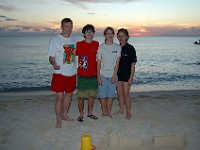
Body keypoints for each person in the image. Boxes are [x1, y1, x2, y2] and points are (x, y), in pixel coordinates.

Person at [48, 18, 77, 128]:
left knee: (69, 95)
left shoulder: (74, 40)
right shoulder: (55, 40)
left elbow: (76, 57)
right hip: (59, 72)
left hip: (72, 72)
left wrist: (78, 69)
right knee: (59, 96)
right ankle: (58, 119)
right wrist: (53, 63)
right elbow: (51, 57)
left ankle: (64, 115)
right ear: (61, 27)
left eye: (70, 27)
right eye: (66, 26)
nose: (68, 29)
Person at [76, 24, 99, 122]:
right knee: (80, 96)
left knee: (91, 96)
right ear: (83, 34)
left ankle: (90, 113)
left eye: (91, 31)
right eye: (87, 31)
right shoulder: (79, 44)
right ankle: (81, 114)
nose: (89, 33)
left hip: (93, 74)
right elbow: (70, 56)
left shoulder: (97, 44)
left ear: (93, 33)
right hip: (82, 74)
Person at [97, 27, 121, 118]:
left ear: (113, 35)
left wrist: (114, 75)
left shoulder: (117, 47)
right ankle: (104, 111)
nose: (110, 35)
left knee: (110, 96)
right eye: (108, 33)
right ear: (105, 35)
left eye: (111, 33)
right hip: (102, 74)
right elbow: (98, 62)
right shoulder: (101, 47)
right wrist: (98, 76)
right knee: (102, 96)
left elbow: (117, 62)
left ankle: (109, 112)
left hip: (113, 75)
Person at [116, 28, 137, 120]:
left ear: (127, 37)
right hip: (117, 75)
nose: (120, 38)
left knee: (126, 95)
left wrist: (131, 77)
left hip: (126, 75)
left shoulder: (130, 48)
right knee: (119, 95)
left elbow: (133, 64)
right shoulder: (116, 48)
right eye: (119, 36)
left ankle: (128, 113)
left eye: (122, 36)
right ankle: (121, 110)